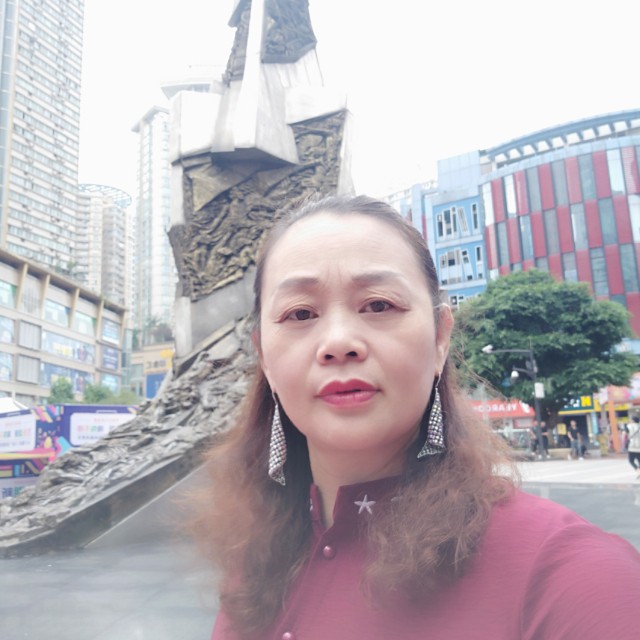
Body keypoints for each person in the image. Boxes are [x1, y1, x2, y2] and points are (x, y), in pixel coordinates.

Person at [190, 195, 640, 639]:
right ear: (263, 356)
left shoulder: (571, 577)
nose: (339, 342)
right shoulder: (255, 564)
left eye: (379, 305)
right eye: (300, 313)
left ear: (441, 337)